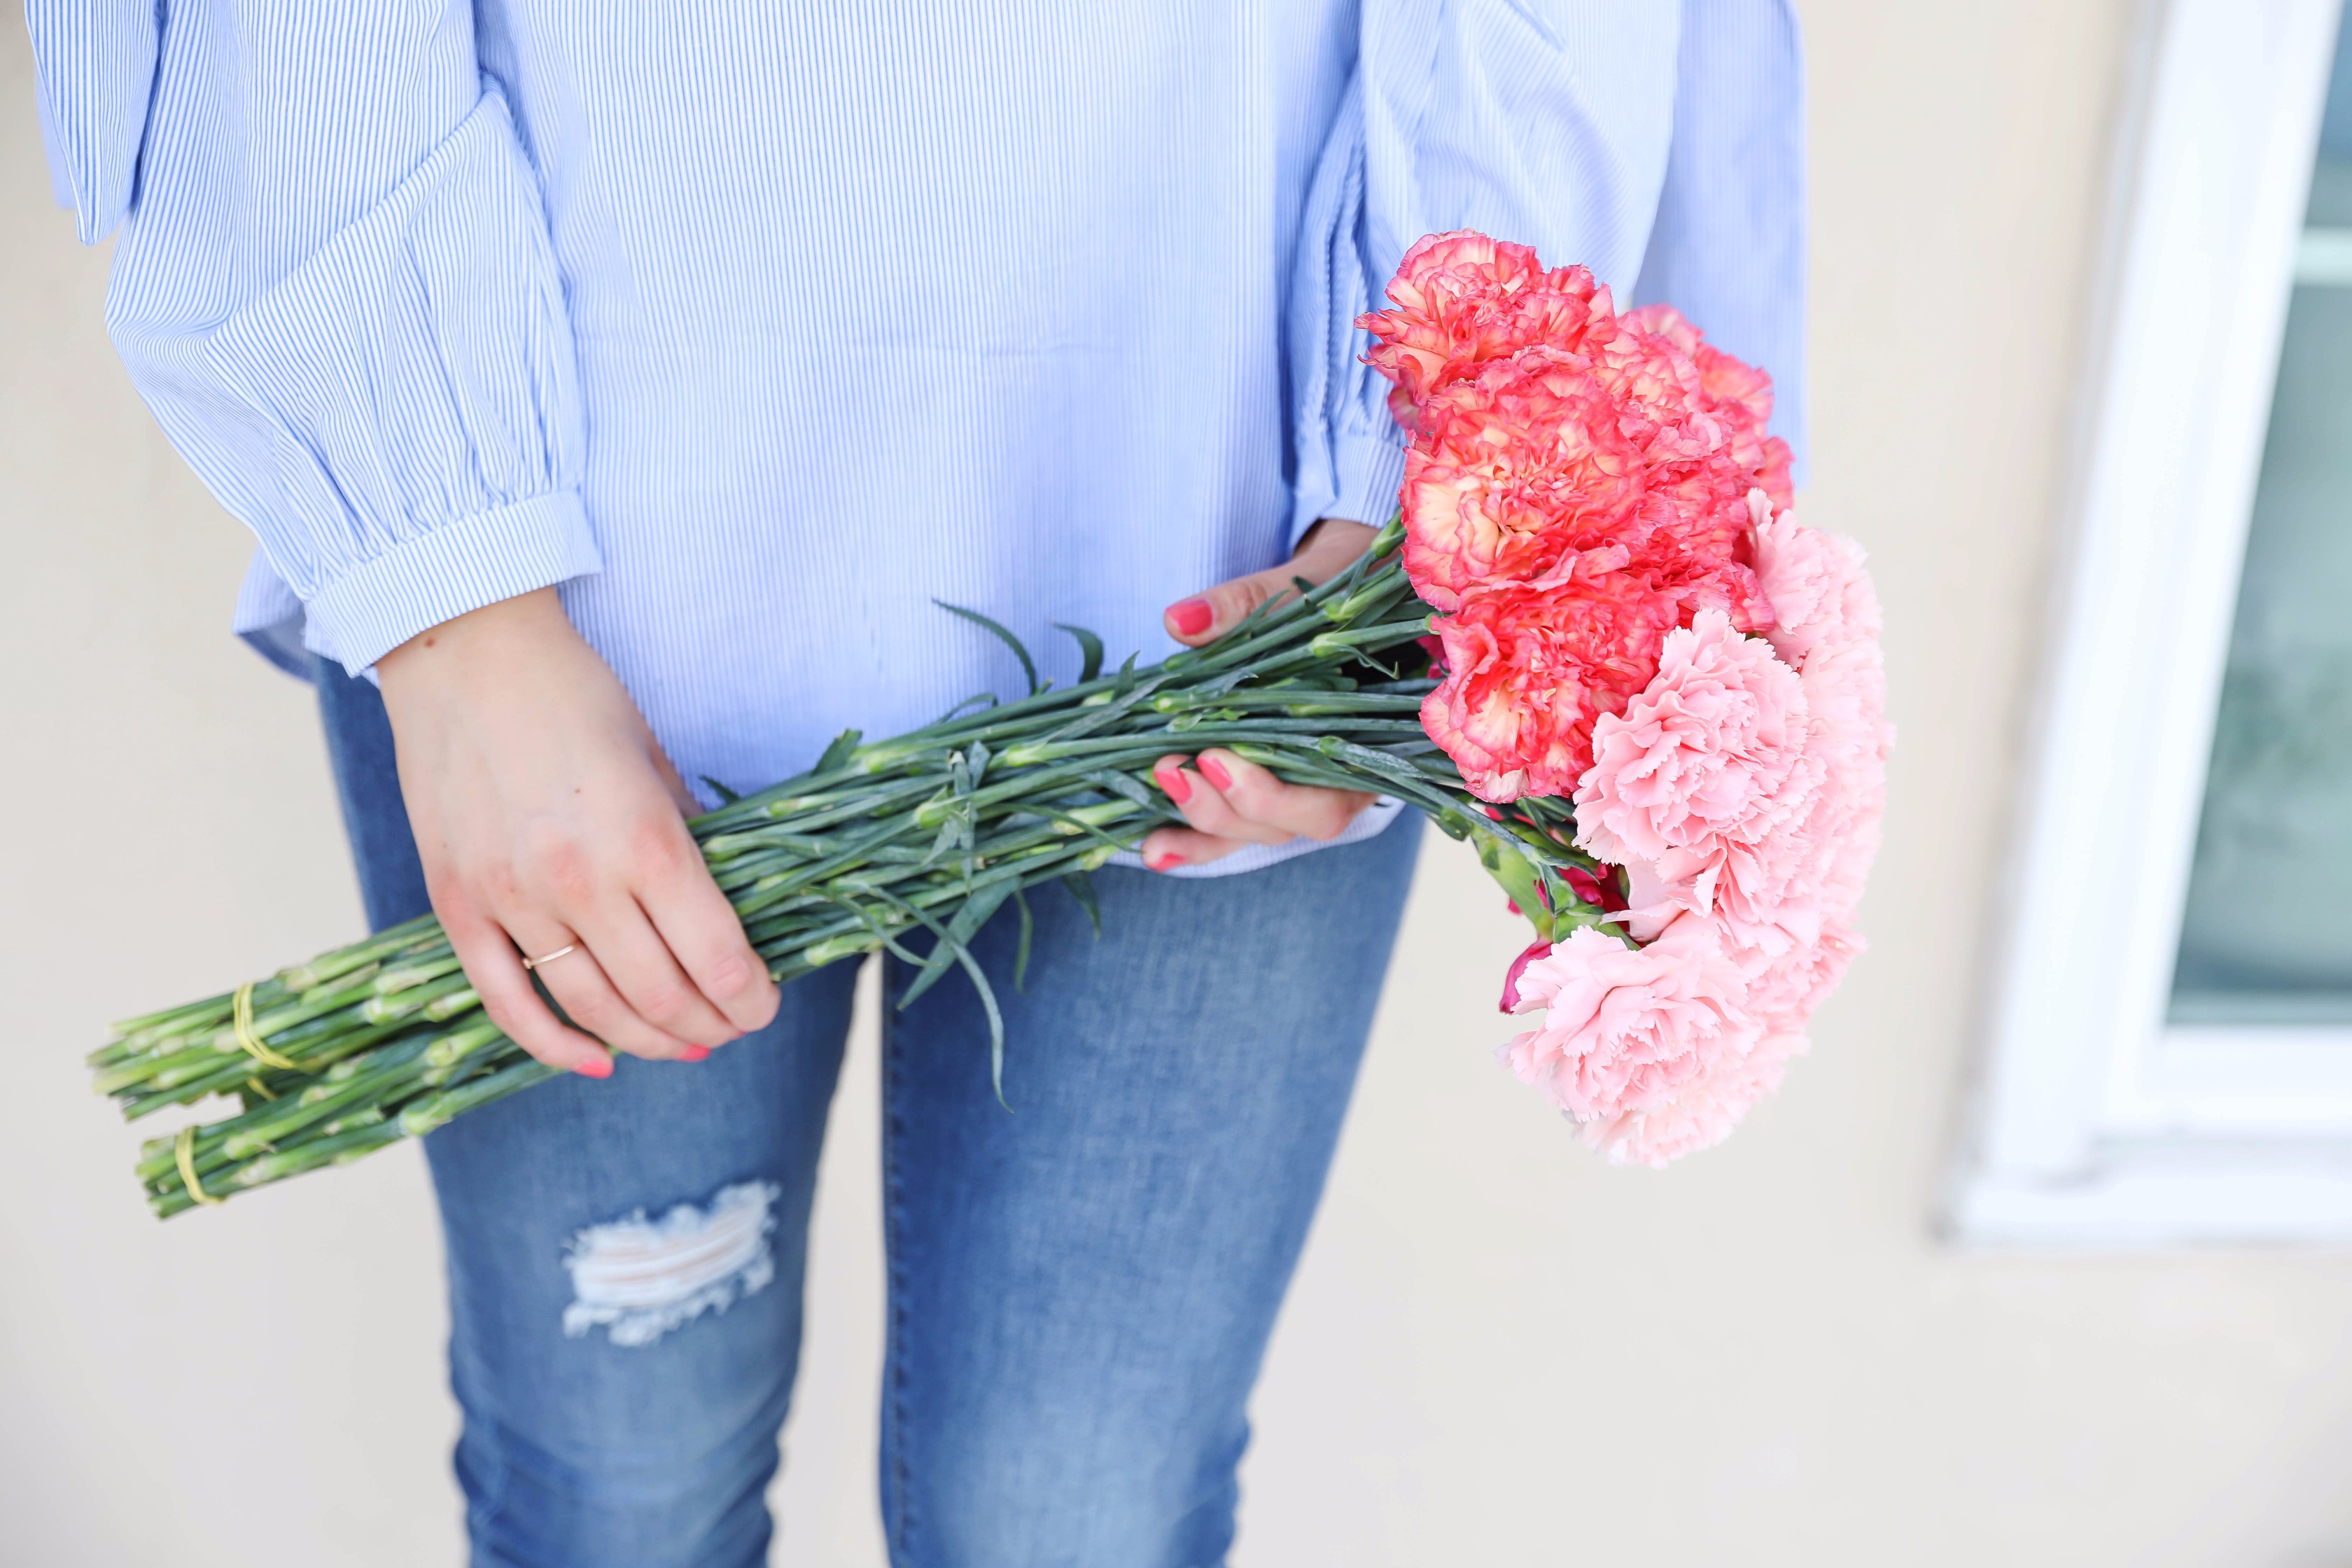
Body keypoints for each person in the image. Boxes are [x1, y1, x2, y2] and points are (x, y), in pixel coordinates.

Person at [32, 4, 1804, 1563]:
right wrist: (453, 602)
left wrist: (1423, 478)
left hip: (1248, 509)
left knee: (1078, 1519)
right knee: (610, 1492)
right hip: (571, 556)